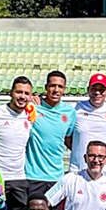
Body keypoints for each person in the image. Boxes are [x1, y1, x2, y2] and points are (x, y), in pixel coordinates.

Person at [0, 75, 35, 210]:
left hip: (18, 178)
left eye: (26, 93)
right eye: (19, 92)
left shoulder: (30, 116)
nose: (22, 96)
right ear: (11, 93)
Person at [25, 70, 76, 201]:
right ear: (46, 87)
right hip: (33, 175)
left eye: (60, 86)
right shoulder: (33, 107)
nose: (56, 90)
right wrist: (28, 99)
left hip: (56, 177)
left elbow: (68, 140)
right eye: (52, 85)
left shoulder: (69, 112)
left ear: (64, 89)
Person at [69, 73, 106, 172]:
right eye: (94, 88)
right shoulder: (75, 108)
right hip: (78, 170)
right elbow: (67, 137)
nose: (97, 92)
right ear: (88, 90)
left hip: (104, 171)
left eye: (101, 89)